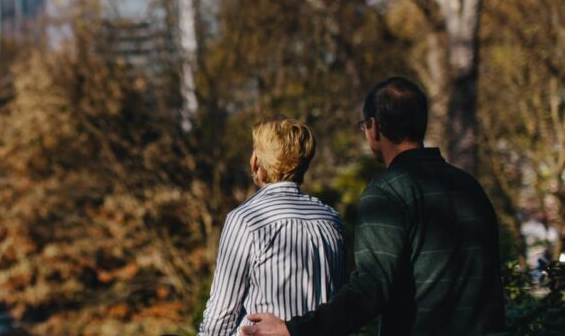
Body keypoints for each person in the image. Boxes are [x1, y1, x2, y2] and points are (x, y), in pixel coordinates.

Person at [242, 77, 506, 336]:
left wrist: (291, 329)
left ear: (374, 127)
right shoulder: (470, 187)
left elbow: (370, 290)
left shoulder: (387, 193)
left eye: (363, 126)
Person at [197, 116, 345, 335]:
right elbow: (340, 306)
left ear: (256, 162)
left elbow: (221, 315)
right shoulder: (332, 220)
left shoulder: (247, 219)